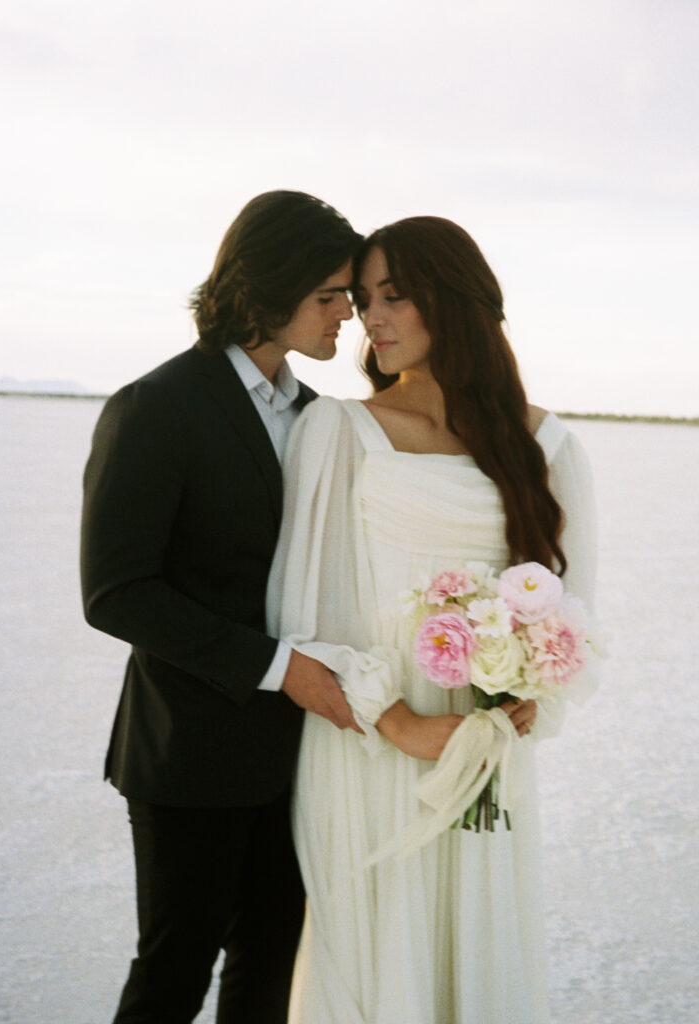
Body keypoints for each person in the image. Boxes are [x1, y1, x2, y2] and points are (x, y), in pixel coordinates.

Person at [267, 216, 598, 1024]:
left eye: (394, 296)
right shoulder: (341, 431)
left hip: (484, 751)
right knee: (377, 955)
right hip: (371, 745)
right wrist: (397, 720)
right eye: (361, 297)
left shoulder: (546, 443)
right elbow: (303, 613)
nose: (369, 317)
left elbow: (574, 607)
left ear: (453, 304)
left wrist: (532, 697)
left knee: (475, 955)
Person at [80, 190, 363, 1024]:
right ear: (269, 288)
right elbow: (116, 591)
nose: (346, 314)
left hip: (296, 759)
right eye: (329, 295)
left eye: (347, 295)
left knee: (269, 964)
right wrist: (281, 669)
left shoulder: (318, 419)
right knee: (174, 971)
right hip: (187, 752)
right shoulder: (156, 407)